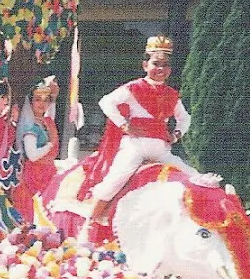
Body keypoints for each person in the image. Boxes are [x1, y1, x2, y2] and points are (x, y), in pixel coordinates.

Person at [84, 35, 198, 220]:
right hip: (135, 147)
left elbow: (184, 118)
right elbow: (106, 102)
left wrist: (176, 134)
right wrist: (125, 125)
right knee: (115, 180)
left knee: (193, 176)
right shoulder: (134, 87)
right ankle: (90, 223)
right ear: (145, 65)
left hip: (161, 151)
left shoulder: (171, 94)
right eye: (156, 63)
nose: (160, 69)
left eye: (165, 65)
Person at [12, 76, 60, 222]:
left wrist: (54, 96)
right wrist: (49, 145)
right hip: (34, 176)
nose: (42, 103)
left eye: (46, 100)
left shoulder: (46, 123)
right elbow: (32, 156)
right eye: (38, 99)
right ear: (31, 102)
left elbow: (51, 113)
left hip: (48, 173)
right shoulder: (31, 128)